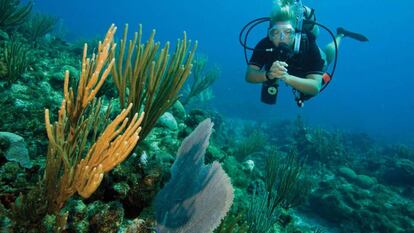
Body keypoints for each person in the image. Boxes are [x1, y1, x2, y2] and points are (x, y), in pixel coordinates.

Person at [245, 3, 367, 106]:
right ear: (269, 33)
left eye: (288, 32)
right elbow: (249, 75)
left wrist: (286, 77)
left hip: (307, 67)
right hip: (284, 72)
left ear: (296, 32)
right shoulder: (265, 44)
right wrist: (269, 74)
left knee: (327, 58)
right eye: (275, 32)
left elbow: (315, 87)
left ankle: (340, 35)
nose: (282, 38)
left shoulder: (307, 43)